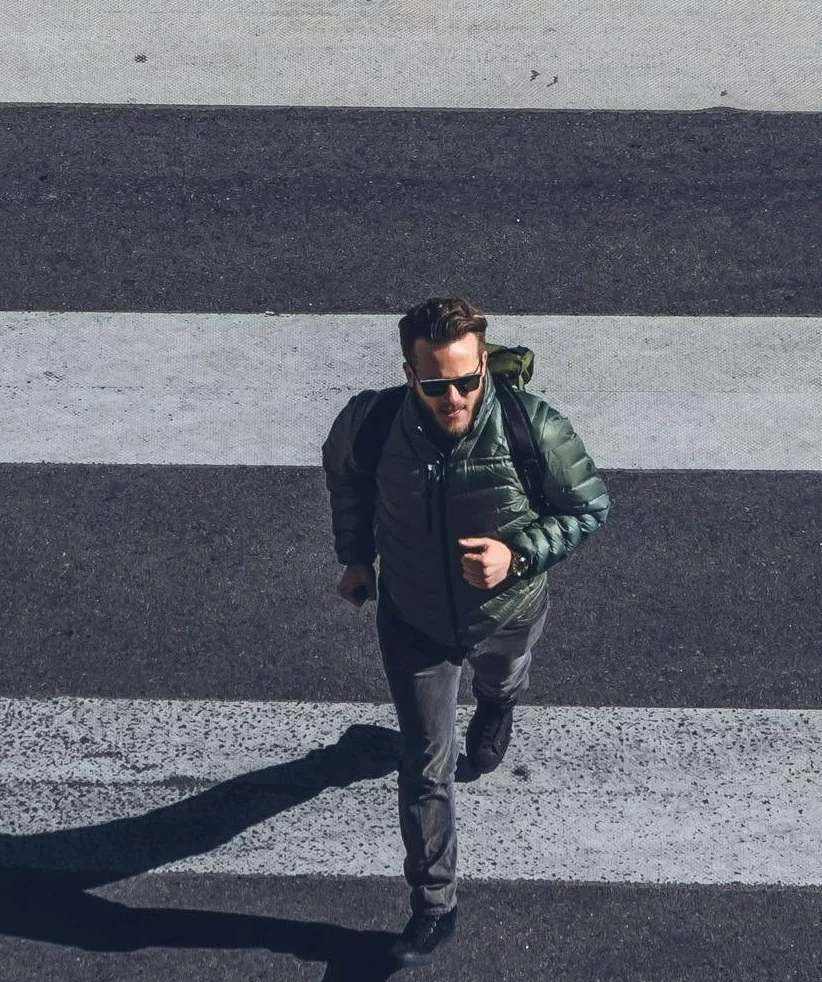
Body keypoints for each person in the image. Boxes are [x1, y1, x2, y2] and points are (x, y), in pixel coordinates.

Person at [320, 297, 611, 967]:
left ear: (483, 364)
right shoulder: (371, 424)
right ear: (408, 372)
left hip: (505, 614)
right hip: (412, 620)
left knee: (502, 676)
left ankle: (500, 702)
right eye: (434, 383)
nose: (452, 396)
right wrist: (354, 556)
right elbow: (346, 478)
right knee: (424, 767)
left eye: (465, 380)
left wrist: (519, 554)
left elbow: (589, 506)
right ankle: (432, 907)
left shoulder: (528, 426)